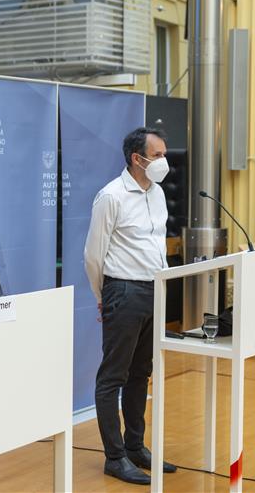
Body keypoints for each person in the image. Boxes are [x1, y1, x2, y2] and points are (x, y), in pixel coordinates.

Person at [83, 127, 177, 485]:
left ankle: (136, 446)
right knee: (113, 376)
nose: (163, 162)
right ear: (137, 159)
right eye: (157, 156)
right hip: (122, 291)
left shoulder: (159, 194)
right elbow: (94, 255)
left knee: (141, 374)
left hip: (155, 290)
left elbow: (156, 243)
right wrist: (103, 297)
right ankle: (115, 455)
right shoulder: (111, 196)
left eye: (164, 154)